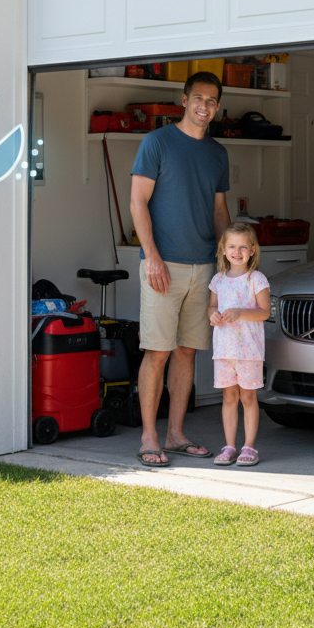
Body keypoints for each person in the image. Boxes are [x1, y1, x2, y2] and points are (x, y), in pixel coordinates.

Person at [129, 71, 230, 466]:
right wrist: (151, 255)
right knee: (157, 352)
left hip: (204, 266)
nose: (204, 106)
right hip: (163, 265)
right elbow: (138, 202)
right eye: (198, 98)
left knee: (187, 352)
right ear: (184, 99)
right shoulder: (157, 142)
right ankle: (149, 436)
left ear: (217, 107)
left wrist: (226, 265)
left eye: (212, 101)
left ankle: (175, 434)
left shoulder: (218, 153)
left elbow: (220, 210)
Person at [208, 223, 270, 466]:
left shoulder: (256, 279)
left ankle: (249, 447)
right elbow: (212, 306)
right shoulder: (218, 280)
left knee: (248, 398)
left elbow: (264, 312)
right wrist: (212, 315)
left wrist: (241, 312)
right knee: (229, 397)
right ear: (223, 249)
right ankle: (230, 446)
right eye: (232, 246)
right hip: (224, 351)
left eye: (243, 246)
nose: (237, 251)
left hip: (248, 351)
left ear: (252, 250)